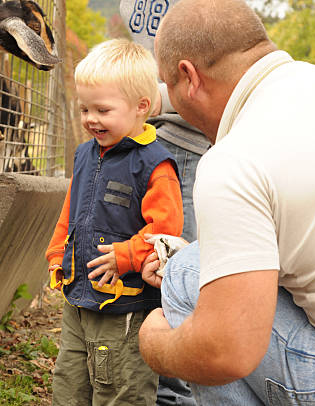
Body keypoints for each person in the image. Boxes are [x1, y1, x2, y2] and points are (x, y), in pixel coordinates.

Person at [138, 0, 315, 404]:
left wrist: (155, 343)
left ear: (188, 77)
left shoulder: (233, 161)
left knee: (188, 271)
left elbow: (227, 351)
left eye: (166, 84)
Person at [45, 38, 184, 405]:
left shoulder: (154, 165)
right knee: (69, 381)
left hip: (125, 304)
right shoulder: (84, 154)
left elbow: (165, 230)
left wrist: (126, 256)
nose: (91, 119)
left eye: (103, 110)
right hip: (78, 299)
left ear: (142, 106)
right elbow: (71, 211)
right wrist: (59, 252)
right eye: (84, 109)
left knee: (120, 388)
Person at [120, 1, 207, 404]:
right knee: (151, 264)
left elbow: (211, 74)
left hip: (187, 140)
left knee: (173, 269)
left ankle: (174, 395)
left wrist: (149, 99)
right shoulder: (128, 4)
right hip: (148, 137)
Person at [120, 0, 211, 244]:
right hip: (146, 130)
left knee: (177, 246)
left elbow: (213, 72)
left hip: (186, 136)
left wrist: (159, 98)